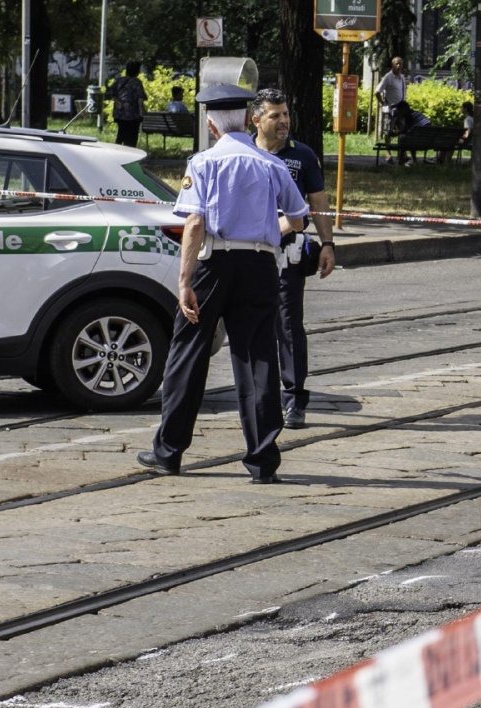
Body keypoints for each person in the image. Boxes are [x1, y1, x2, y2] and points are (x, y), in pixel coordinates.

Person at [137, 83, 308, 484]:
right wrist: (266, 229)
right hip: (261, 265)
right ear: (248, 121)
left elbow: (194, 223)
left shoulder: (203, 163)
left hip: (214, 262)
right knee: (258, 357)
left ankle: (169, 452)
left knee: (188, 354)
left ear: (212, 126)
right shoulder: (272, 165)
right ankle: (263, 459)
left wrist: (184, 281)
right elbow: (297, 220)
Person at [251, 88, 336, 429]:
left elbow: (318, 202)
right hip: (249, 251)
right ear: (256, 119)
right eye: (276, 115)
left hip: (288, 252)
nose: (284, 120)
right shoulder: (242, 151)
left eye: (285, 114)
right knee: (252, 324)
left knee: (287, 326)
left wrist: (328, 243)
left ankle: (294, 398)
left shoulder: (301, 155)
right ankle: (258, 394)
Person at [106, 62, 146, 148]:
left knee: (121, 133)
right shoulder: (137, 82)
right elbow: (140, 98)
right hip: (132, 114)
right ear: (137, 71)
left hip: (120, 112)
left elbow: (110, 93)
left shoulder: (119, 80)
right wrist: (142, 111)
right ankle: (130, 151)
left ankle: (117, 150)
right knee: (132, 136)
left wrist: (118, 102)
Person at [375, 57, 409, 139]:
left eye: (400, 64)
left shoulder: (402, 77)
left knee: (403, 130)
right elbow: (377, 92)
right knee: (388, 130)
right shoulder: (388, 77)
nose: (398, 66)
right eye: (396, 64)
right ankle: (388, 150)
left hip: (401, 110)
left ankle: (402, 149)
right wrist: (382, 103)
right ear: (392, 65)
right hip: (390, 109)